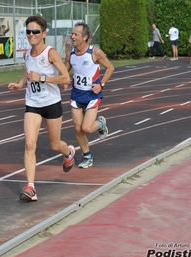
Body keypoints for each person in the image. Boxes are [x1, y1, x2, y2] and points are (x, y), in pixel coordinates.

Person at [7, 15, 75, 202]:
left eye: (35, 31)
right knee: (29, 144)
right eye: (28, 31)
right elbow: (28, 72)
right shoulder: (27, 53)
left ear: (44, 33)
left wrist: (43, 78)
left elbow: (66, 78)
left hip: (51, 103)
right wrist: (20, 84)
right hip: (32, 103)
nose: (31, 34)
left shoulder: (50, 53)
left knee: (55, 144)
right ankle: (31, 187)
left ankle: (68, 152)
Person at [64, 22, 114, 169]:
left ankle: (101, 124)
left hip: (92, 95)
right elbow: (65, 71)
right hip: (76, 95)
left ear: (85, 37)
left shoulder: (95, 53)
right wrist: (63, 80)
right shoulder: (70, 54)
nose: (72, 36)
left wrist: (102, 84)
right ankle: (87, 157)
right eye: (72, 34)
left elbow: (110, 67)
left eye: (75, 34)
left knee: (86, 128)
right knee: (78, 129)